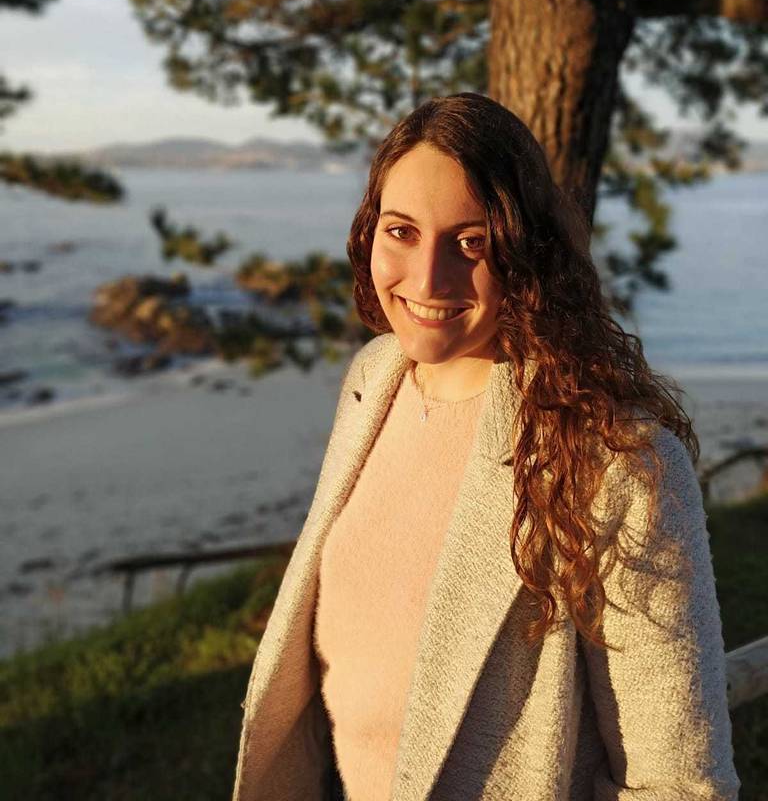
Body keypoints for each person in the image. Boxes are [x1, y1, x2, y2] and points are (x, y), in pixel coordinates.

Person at [231, 93, 740, 801]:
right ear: (369, 231)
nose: (427, 279)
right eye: (401, 232)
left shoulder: (618, 462)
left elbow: (680, 782)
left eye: (471, 243)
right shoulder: (374, 378)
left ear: (526, 252)